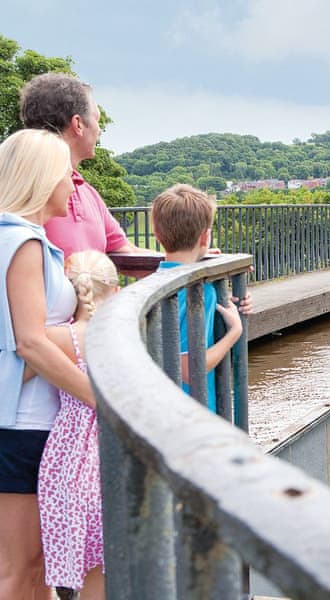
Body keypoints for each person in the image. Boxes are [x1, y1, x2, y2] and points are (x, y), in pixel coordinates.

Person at [0, 129, 94, 599]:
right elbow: (30, 343)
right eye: (65, 173)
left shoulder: (23, 239)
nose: (72, 184)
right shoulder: (22, 243)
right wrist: (100, 399)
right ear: (41, 178)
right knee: (21, 569)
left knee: (36, 567)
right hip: (22, 425)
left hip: (31, 423)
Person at [36, 251, 118, 600]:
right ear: (115, 291)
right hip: (112, 453)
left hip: (69, 458)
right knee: (105, 563)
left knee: (79, 560)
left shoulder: (58, 338)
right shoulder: (125, 337)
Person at [18, 72, 147, 258]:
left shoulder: (85, 191)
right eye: (97, 119)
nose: (99, 129)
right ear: (78, 124)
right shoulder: (22, 192)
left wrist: (184, 264)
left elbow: (128, 252)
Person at [151, 184, 247, 413]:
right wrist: (235, 332)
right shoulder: (199, 292)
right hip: (191, 414)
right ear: (205, 237)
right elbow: (189, 369)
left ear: (156, 234)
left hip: (159, 409)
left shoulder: (152, 283)